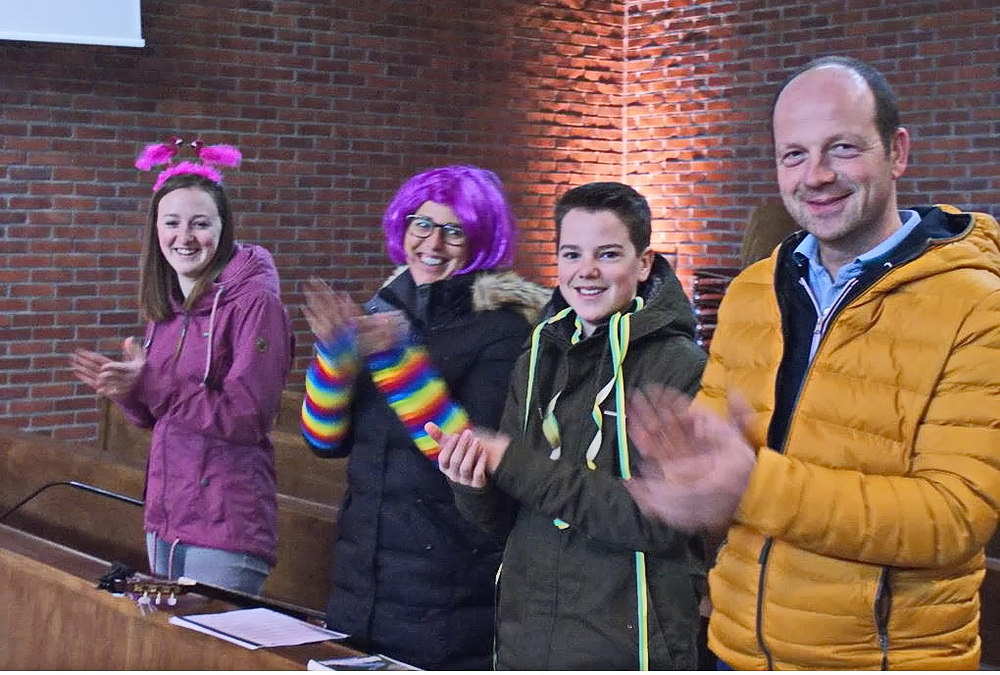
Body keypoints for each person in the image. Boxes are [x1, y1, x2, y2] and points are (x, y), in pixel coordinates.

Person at [623, 55, 1000, 670]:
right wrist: (687, 477)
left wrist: (750, 486)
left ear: (897, 152)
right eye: (793, 155)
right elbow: (717, 458)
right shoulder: (751, 292)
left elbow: (955, 518)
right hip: (736, 651)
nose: (816, 175)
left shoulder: (977, 304)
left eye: (842, 148)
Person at [430, 181, 709, 670]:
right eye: (572, 254)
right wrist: (471, 482)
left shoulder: (680, 365)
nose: (587, 271)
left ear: (644, 264)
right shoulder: (538, 354)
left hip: (629, 647)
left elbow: (658, 521)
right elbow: (508, 521)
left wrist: (514, 463)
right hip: (528, 639)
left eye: (608, 254)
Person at [299, 164, 549, 670]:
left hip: (447, 592)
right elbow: (323, 441)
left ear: (480, 240)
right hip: (362, 580)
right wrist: (334, 357)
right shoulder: (384, 313)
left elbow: (464, 454)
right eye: (422, 224)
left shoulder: (502, 331)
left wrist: (396, 358)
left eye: (454, 230)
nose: (433, 242)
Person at [71, 139, 293, 595]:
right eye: (171, 222)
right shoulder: (168, 305)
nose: (184, 237)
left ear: (223, 228)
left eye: (200, 223)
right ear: (156, 230)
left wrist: (152, 383)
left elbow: (246, 418)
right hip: (167, 516)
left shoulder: (256, 303)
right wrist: (128, 390)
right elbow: (160, 414)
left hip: (225, 522)